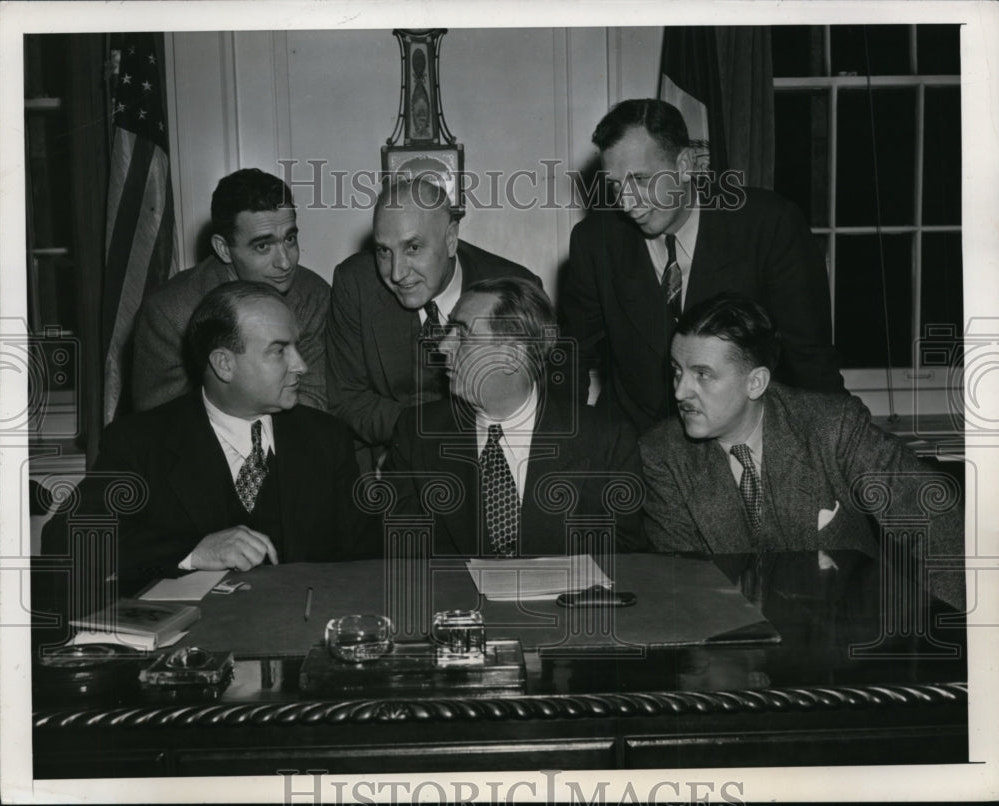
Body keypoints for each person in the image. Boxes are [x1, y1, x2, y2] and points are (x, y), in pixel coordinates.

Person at [639, 293, 964, 609]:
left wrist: (942, 627)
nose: (680, 391)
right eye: (677, 370)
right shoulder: (663, 455)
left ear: (755, 383)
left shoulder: (833, 427)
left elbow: (936, 517)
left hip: (844, 644)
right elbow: (683, 583)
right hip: (734, 649)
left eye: (703, 375)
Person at [44, 282, 369, 593]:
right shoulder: (140, 442)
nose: (302, 365)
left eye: (296, 347)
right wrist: (193, 552)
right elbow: (66, 540)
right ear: (224, 364)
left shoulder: (327, 438)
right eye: (279, 350)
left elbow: (362, 557)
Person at [560, 98, 843, 433]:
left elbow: (811, 363)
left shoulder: (768, 226)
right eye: (615, 185)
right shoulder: (594, 242)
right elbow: (569, 358)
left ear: (684, 165)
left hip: (741, 447)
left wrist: (838, 449)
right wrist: (568, 445)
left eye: (640, 180)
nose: (626, 202)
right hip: (632, 448)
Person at [384, 277, 647, 556]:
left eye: (461, 335)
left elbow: (623, 559)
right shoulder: (416, 434)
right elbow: (404, 552)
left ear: (512, 354)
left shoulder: (605, 441)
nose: (442, 347)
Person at [326, 176, 540, 454]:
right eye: (383, 251)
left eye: (412, 248)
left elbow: (534, 403)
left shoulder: (514, 287)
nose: (397, 273)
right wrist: (419, 442)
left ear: (451, 240)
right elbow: (348, 400)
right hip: (390, 449)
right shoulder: (355, 284)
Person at [132, 168, 330, 412]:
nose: (285, 262)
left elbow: (314, 406)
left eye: (289, 239)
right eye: (263, 246)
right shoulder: (169, 313)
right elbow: (159, 425)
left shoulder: (313, 295)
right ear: (224, 249)